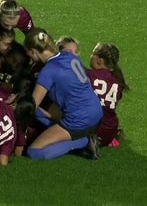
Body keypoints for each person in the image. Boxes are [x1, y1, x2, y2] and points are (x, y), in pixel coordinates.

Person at [24, 30, 103, 160]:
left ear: (33, 51)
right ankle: (82, 136)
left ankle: (83, 142)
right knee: (43, 111)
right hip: (96, 112)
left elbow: (31, 106)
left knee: (34, 151)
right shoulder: (70, 56)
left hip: (79, 121)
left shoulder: (48, 70)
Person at [87, 43, 128, 147]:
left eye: (93, 54)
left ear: (99, 60)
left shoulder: (89, 75)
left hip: (90, 129)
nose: (90, 56)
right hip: (109, 132)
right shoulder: (119, 82)